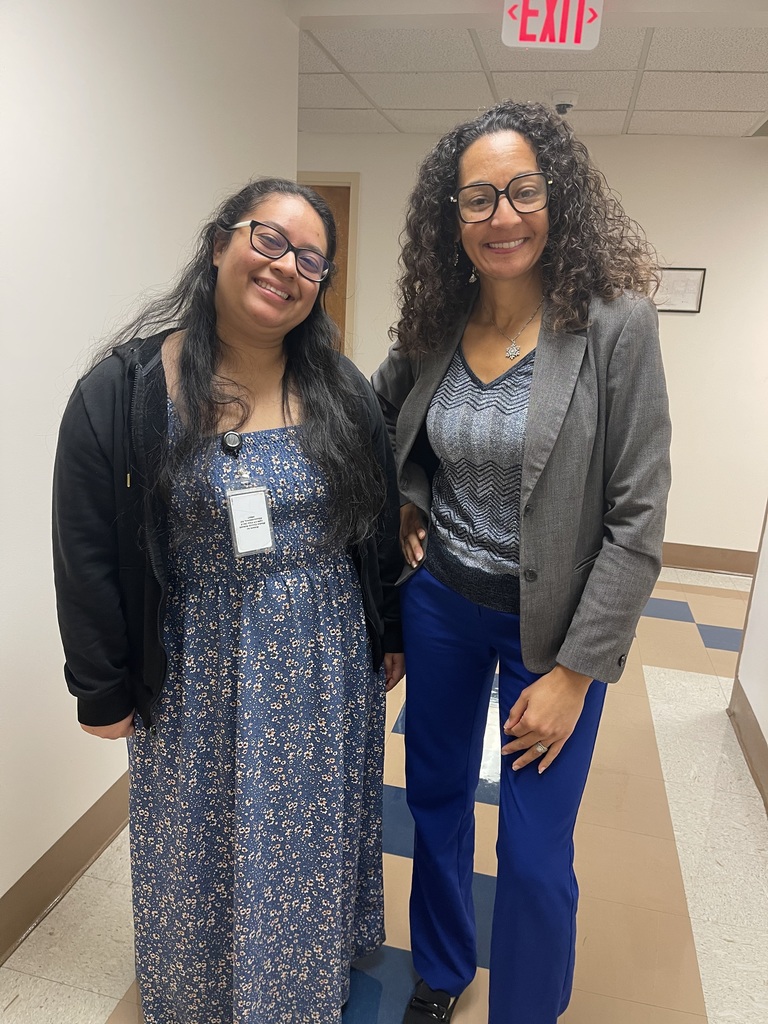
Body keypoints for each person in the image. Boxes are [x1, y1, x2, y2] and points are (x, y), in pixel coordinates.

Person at [52, 177, 405, 1024]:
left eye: (311, 259)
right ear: (219, 243)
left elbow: (376, 522)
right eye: (270, 239)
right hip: (195, 663)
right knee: (194, 839)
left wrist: (389, 632)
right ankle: (198, 994)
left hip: (324, 659)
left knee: (300, 842)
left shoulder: (343, 389)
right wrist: (98, 685)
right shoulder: (128, 387)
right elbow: (87, 544)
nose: (287, 267)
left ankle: (293, 991)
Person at [372, 101, 672, 1024]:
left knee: (537, 857)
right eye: (477, 198)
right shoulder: (434, 319)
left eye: (523, 190)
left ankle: (527, 1010)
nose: (503, 216)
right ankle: (442, 969)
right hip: (442, 608)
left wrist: (578, 673)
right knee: (434, 802)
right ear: (449, 217)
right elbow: (386, 431)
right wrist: (407, 498)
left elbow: (639, 513)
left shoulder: (616, 325)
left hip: (554, 632)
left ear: (558, 198)